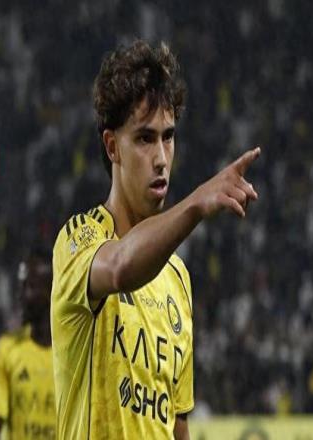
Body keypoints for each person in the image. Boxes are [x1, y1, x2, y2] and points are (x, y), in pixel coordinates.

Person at [51, 39, 260, 440]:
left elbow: (177, 422)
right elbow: (120, 268)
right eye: (145, 139)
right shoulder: (78, 240)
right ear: (113, 146)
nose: (162, 158)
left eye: (168, 137)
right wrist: (197, 203)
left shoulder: (177, 278)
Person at [0, 249, 55, 440]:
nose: (20, 296)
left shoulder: (75, 352)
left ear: (52, 291)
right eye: (20, 287)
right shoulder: (7, 349)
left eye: (29, 287)